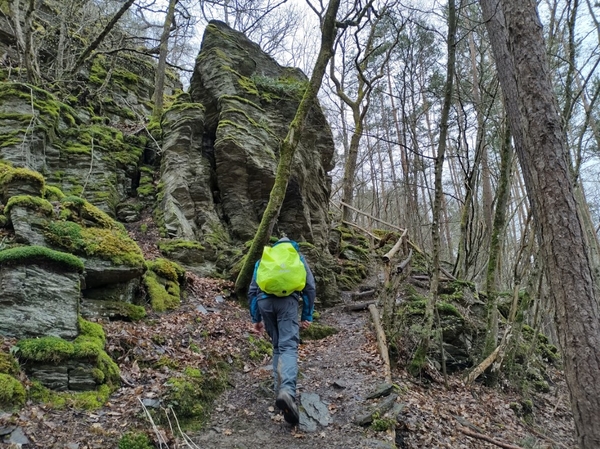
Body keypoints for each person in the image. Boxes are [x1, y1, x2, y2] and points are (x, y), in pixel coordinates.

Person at [248, 237, 316, 425]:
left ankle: (279, 392)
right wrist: (307, 316)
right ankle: (287, 391)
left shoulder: (265, 258)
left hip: (264, 302)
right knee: (288, 347)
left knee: (278, 346)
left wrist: (256, 319)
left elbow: (252, 290)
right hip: (287, 303)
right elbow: (309, 288)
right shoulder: (297, 257)